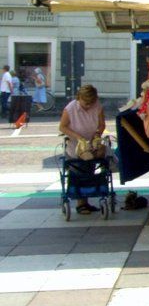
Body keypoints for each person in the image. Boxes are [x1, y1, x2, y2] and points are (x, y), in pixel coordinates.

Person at [59, 85, 106, 214]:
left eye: (91, 103)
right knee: (80, 168)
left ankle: (87, 201)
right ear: (79, 98)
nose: (89, 106)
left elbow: (102, 124)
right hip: (75, 145)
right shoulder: (70, 108)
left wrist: (97, 134)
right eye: (86, 103)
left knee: (95, 162)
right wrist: (78, 137)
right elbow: (62, 127)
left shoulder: (97, 106)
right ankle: (81, 203)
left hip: (91, 142)